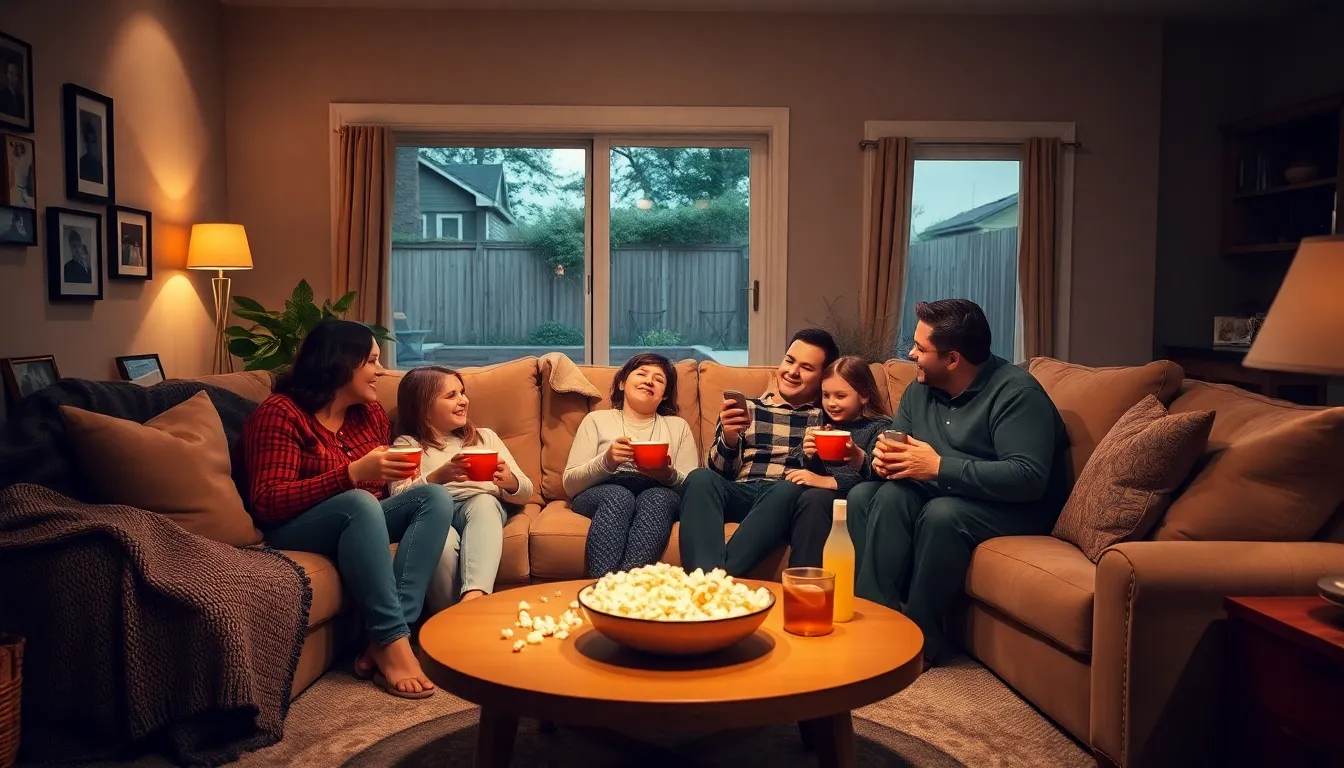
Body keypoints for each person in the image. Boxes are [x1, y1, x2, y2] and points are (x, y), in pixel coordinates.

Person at [847, 299, 1069, 665]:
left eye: (920, 347)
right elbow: (898, 446)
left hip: (1018, 506)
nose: (911, 354)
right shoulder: (921, 388)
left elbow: (1028, 478)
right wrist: (883, 461)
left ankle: (922, 642)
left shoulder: (1017, 394)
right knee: (869, 496)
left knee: (942, 515)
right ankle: (874, 621)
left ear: (953, 359)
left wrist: (937, 467)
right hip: (945, 491)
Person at [243, 319, 453, 699]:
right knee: (358, 501)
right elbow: (267, 501)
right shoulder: (281, 413)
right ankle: (392, 640)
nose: (381, 371)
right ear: (341, 363)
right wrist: (351, 474)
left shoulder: (369, 415)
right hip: (293, 526)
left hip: (360, 521)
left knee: (435, 498)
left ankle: (387, 639)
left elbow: (379, 493)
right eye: (372, 361)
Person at [679, 328, 838, 576]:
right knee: (700, 477)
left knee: (789, 486)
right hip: (742, 490)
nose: (792, 372)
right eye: (789, 360)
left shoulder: (826, 416)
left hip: (786, 496)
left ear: (823, 377)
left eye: (806, 368)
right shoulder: (747, 407)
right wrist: (730, 438)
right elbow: (720, 472)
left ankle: (715, 582)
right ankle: (704, 578)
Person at [389, 365, 533, 613]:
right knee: (441, 541)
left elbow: (526, 491)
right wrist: (437, 477)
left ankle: (474, 597)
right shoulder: (408, 445)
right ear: (423, 409)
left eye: (462, 393)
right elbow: (398, 498)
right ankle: (450, 617)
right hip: (434, 516)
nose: (463, 401)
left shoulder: (484, 437)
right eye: (451, 396)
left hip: (480, 507)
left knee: (484, 503)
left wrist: (509, 481)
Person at [563, 352, 698, 578]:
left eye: (659, 379)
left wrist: (668, 474)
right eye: (642, 373)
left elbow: (694, 487)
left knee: (658, 498)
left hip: (660, 490)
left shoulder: (678, 427)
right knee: (618, 496)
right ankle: (603, 586)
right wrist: (606, 461)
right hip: (604, 490)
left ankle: (623, 589)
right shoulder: (596, 420)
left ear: (664, 395)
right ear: (622, 383)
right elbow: (570, 485)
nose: (649, 381)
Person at [788, 355, 890, 565]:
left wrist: (827, 481)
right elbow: (799, 464)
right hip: (817, 497)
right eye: (826, 395)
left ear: (864, 396)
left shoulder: (880, 428)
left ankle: (808, 581)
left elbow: (877, 476)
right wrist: (806, 454)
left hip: (853, 501)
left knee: (814, 498)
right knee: (799, 494)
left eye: (840, 396)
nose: (831, 403)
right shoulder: (823, 423)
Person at [79, 115, 102, 184]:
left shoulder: (101, 167)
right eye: (91, 141)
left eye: (94, 141)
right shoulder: (82, 165)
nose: (93, 147)